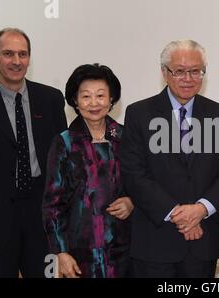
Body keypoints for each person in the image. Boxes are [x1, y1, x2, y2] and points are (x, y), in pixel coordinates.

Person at [120, 40, 219, 278]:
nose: (188, 78)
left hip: (203, 240)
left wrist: (200, 210)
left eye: (196, 71)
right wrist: (177, 213)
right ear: (164, 73)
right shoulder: (139, 113)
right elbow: (134, 174)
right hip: (155, 240)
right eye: (180, 71)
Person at [0, 28, 67, 277]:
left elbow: (64, 161)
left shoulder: (50, 99)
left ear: (29, 58)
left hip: (43, 215)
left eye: (22, 54)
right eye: (7, 54)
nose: (16, 61)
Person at [42, 63, 133, 278]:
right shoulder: (64, 142)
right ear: (75, 100)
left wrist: (132, 202)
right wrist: (60, 251)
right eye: (85, 96)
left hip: (124, 251)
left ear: (111, 99)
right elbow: (52, 204)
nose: (94, 103)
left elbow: (143, 183)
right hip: (78, 252)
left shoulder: (126, 137)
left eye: (101, 95)